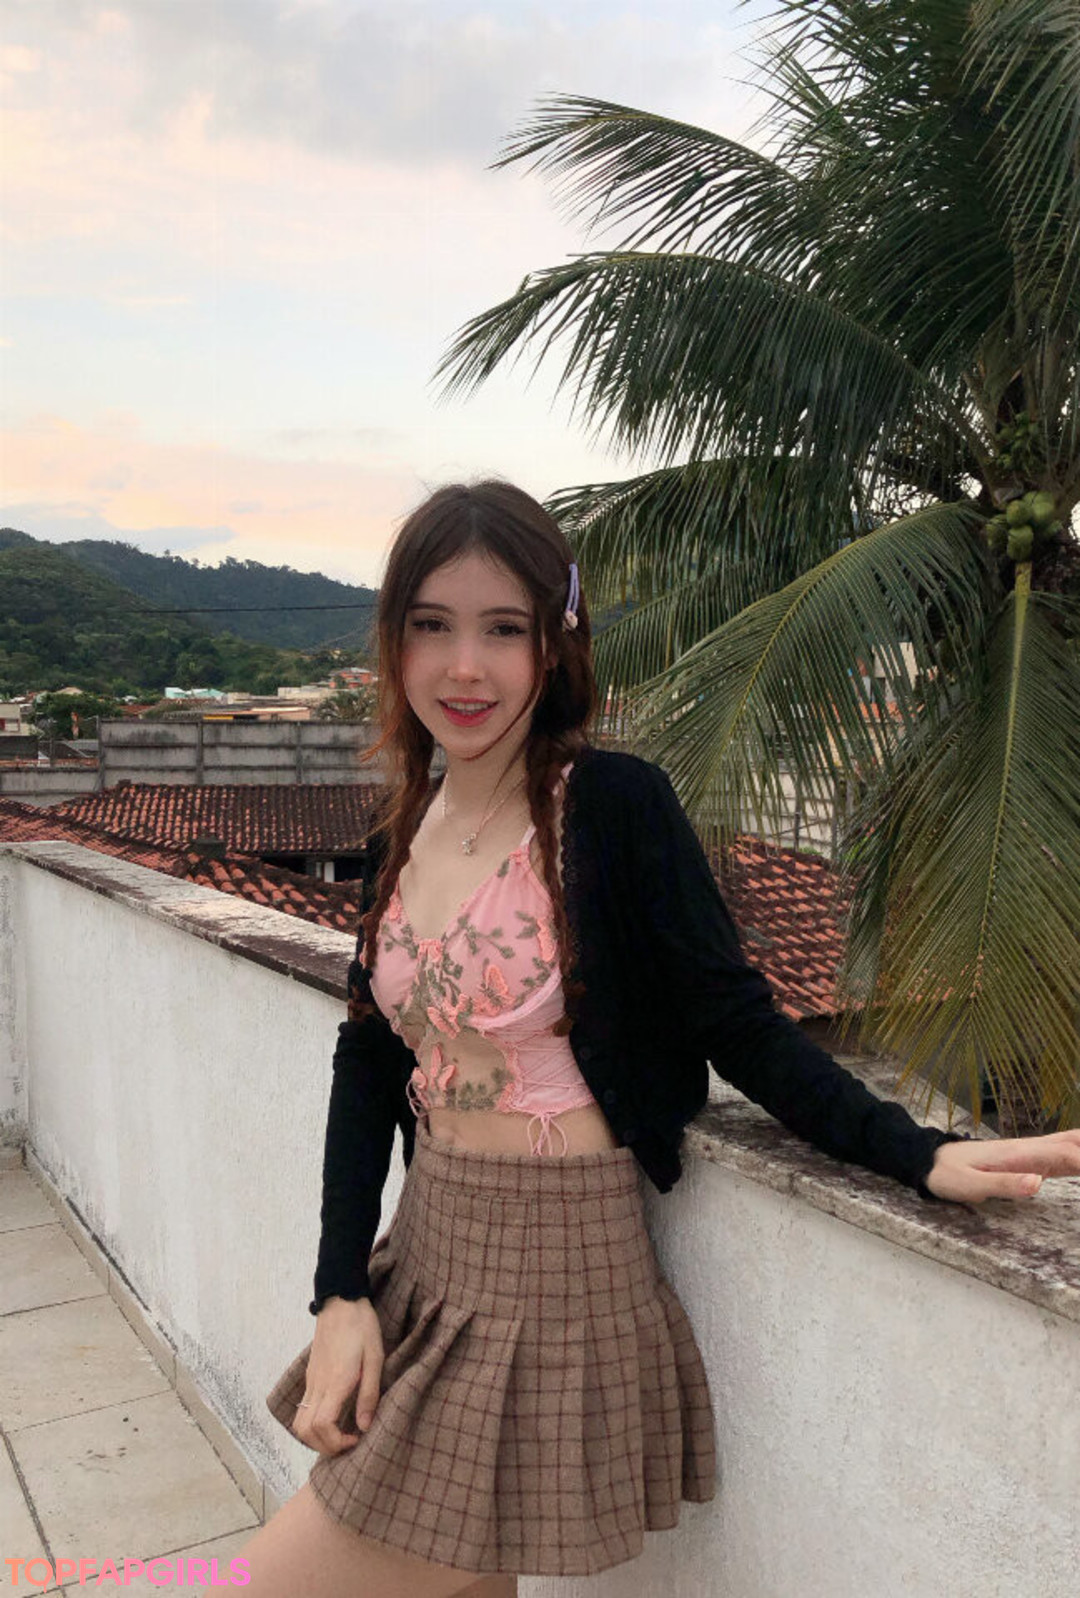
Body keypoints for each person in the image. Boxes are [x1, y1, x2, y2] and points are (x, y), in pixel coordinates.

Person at [238, 479, 1079, 1598]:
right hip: (429, 1244)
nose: (465, 667)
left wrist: (916, 1151)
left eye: (504, 628)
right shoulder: (410, 821)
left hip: (555, 1274)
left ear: (555, 642)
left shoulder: (613, 805)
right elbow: (370, 1057)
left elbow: (734, 1020)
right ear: (395, 640)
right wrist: (340, 1286)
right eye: (432, 625)